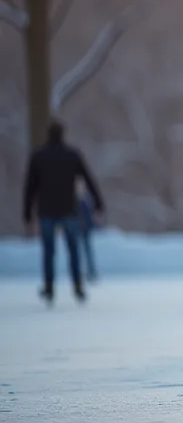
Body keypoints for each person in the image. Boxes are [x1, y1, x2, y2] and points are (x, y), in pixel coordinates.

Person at [22, 120, 103, 305]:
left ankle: (49, 287)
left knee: (48, 251)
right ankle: (77, 285)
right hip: (69, 209)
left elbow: (30, 187)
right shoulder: (72, 155)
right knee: (73, 249)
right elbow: (89, 179)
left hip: (47, 210)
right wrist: (98, 203)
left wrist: (27, 213)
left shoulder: (38, 156)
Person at [75, 181, 99, 282]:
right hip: (77, 229)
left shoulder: (86, 200)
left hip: (86, 230)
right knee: (77, 252)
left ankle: (91, 271)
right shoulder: (74, 201)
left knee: (87, 251)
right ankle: (78, 272)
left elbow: (89, 216)